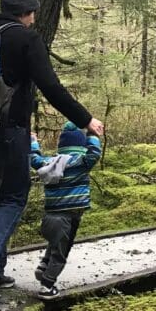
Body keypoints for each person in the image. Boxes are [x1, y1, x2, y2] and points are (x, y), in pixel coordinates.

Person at [0, 0, 103, 300]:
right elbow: (51, 87)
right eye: (33, 14)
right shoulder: (25, 38)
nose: (34, 20)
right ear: (26, 12)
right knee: (14, 197)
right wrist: (86, 119)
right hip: (7, 132)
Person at [30, 122, 102, 299]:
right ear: (80, 145)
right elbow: (94, 153)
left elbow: (34, 158)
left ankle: (43, 266)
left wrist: (33, 142)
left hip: (49, 217)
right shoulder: (81, 162)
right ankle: (47, 286)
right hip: (69, 217)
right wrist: (93, 134)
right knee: (61, 253)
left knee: (55, 244)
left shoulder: (49, 163)